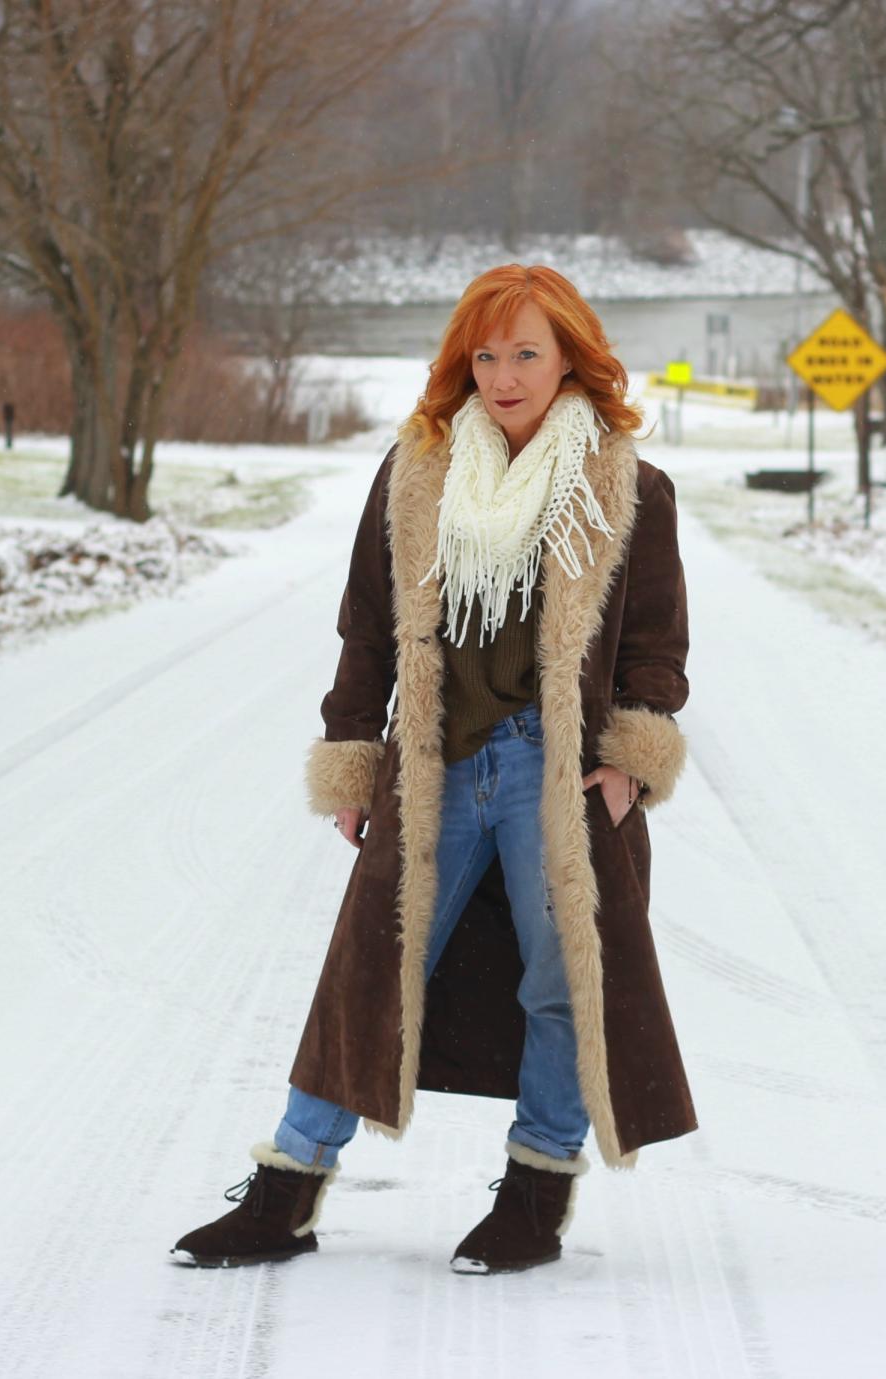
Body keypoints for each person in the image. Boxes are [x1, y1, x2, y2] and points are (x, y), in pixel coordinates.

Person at [171, 264, 696, 1275]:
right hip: (438, 767)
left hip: (558, 773)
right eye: (485, 354)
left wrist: (633, 763)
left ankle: (534, 1196)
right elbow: (369, 629)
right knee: (371, 967)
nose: (503, 375)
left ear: (570, 357)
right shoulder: (419, 470)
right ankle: (285, 1193)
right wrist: (354, 757)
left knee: (561, 986)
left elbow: (657, 648)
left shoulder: (627, 485)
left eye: (526, 353)